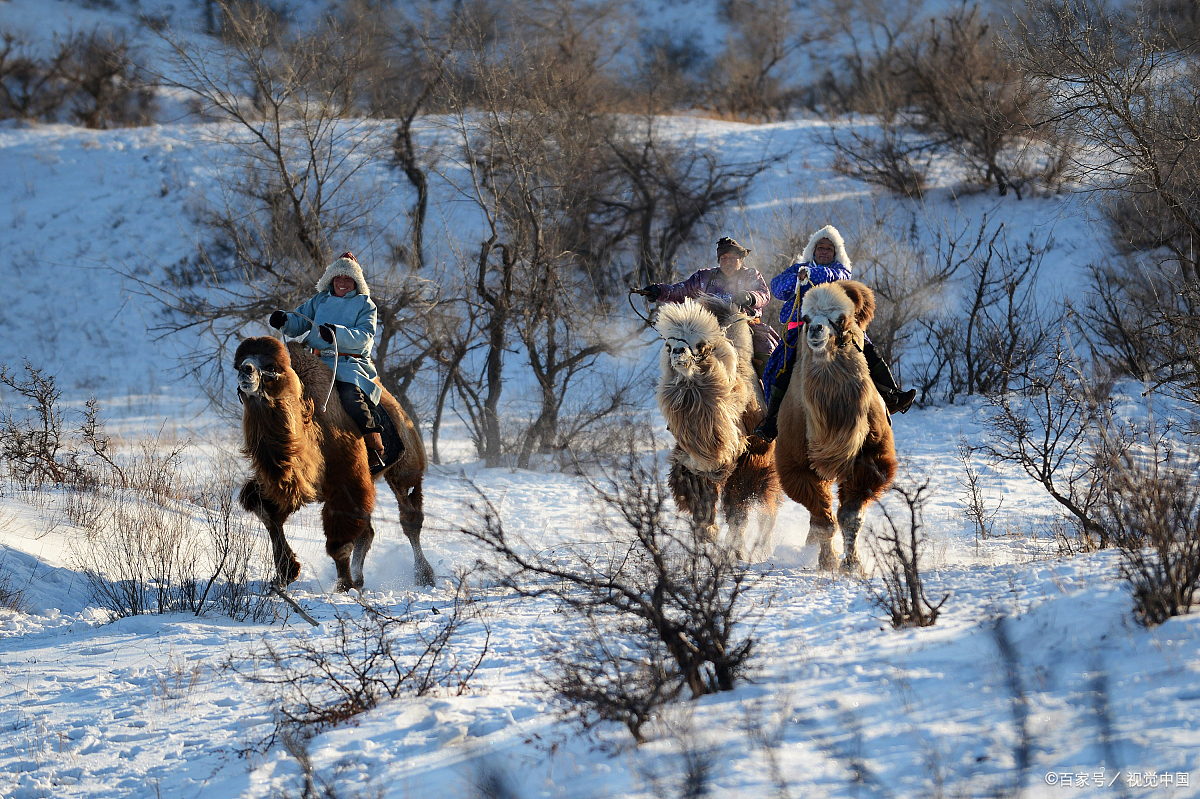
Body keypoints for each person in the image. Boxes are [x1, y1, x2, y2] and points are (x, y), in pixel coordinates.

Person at [753, 225, 916, 442]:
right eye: (820, 247)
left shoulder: (840, 271)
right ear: (813, 250)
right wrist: (798, 278)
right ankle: (773, 420)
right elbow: (777, 287)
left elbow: (836, 274)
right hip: (803, 327)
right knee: (778, 365)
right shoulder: (799, 270)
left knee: (866, 349)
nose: (823, 252)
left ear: (835, 253)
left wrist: (812, 274)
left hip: (837, 327)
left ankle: (891, 394)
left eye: (828, 249)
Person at [269, 251, 390, 469]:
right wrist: (284, 320)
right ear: (331, 280)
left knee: (350, 397)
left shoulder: (366, 305)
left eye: (347, 279)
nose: (342, 283)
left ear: (355, 281)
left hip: (348, 364)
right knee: (282, 390)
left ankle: (374, 447)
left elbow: (364, 337)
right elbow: (299, 321)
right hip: (314, 362)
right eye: (338, 278)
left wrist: (336, 334)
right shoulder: (320, 300)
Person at [634, 237, 781, 380]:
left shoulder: (751, 275)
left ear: (740, 260)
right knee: (679, 356)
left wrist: (750, 297)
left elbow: (763, 294)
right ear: (718, 260)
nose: (728, 262)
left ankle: (770, 399)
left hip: (746, 327)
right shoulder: (704, 277)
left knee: (768, 361)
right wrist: (660, 291)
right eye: (724, 258)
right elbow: (682, 290)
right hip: (709, 330)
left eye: (732, 258)